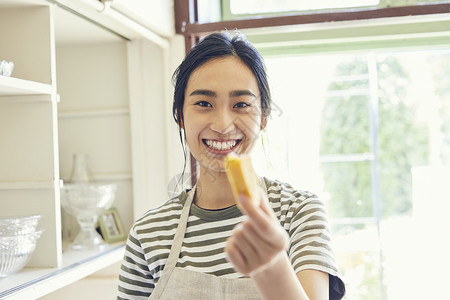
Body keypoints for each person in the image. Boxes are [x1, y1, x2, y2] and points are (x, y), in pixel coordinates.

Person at [117, 31, 345, 300]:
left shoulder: (298, 213)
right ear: (180, 115)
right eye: (203, 103)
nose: (223, 125)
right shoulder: (149, 233)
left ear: (263, 117)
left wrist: (273, 266)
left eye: (241, 104)